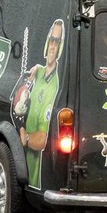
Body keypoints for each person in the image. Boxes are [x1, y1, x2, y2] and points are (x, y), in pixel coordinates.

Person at [19, 18, 65, 190]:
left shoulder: (57, 85)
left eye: (58, 41)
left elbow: (43, 138)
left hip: (33, 178)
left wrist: (26, 137)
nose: (53, 45)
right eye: (52, 40)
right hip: (18, 164)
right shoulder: (37, 72)